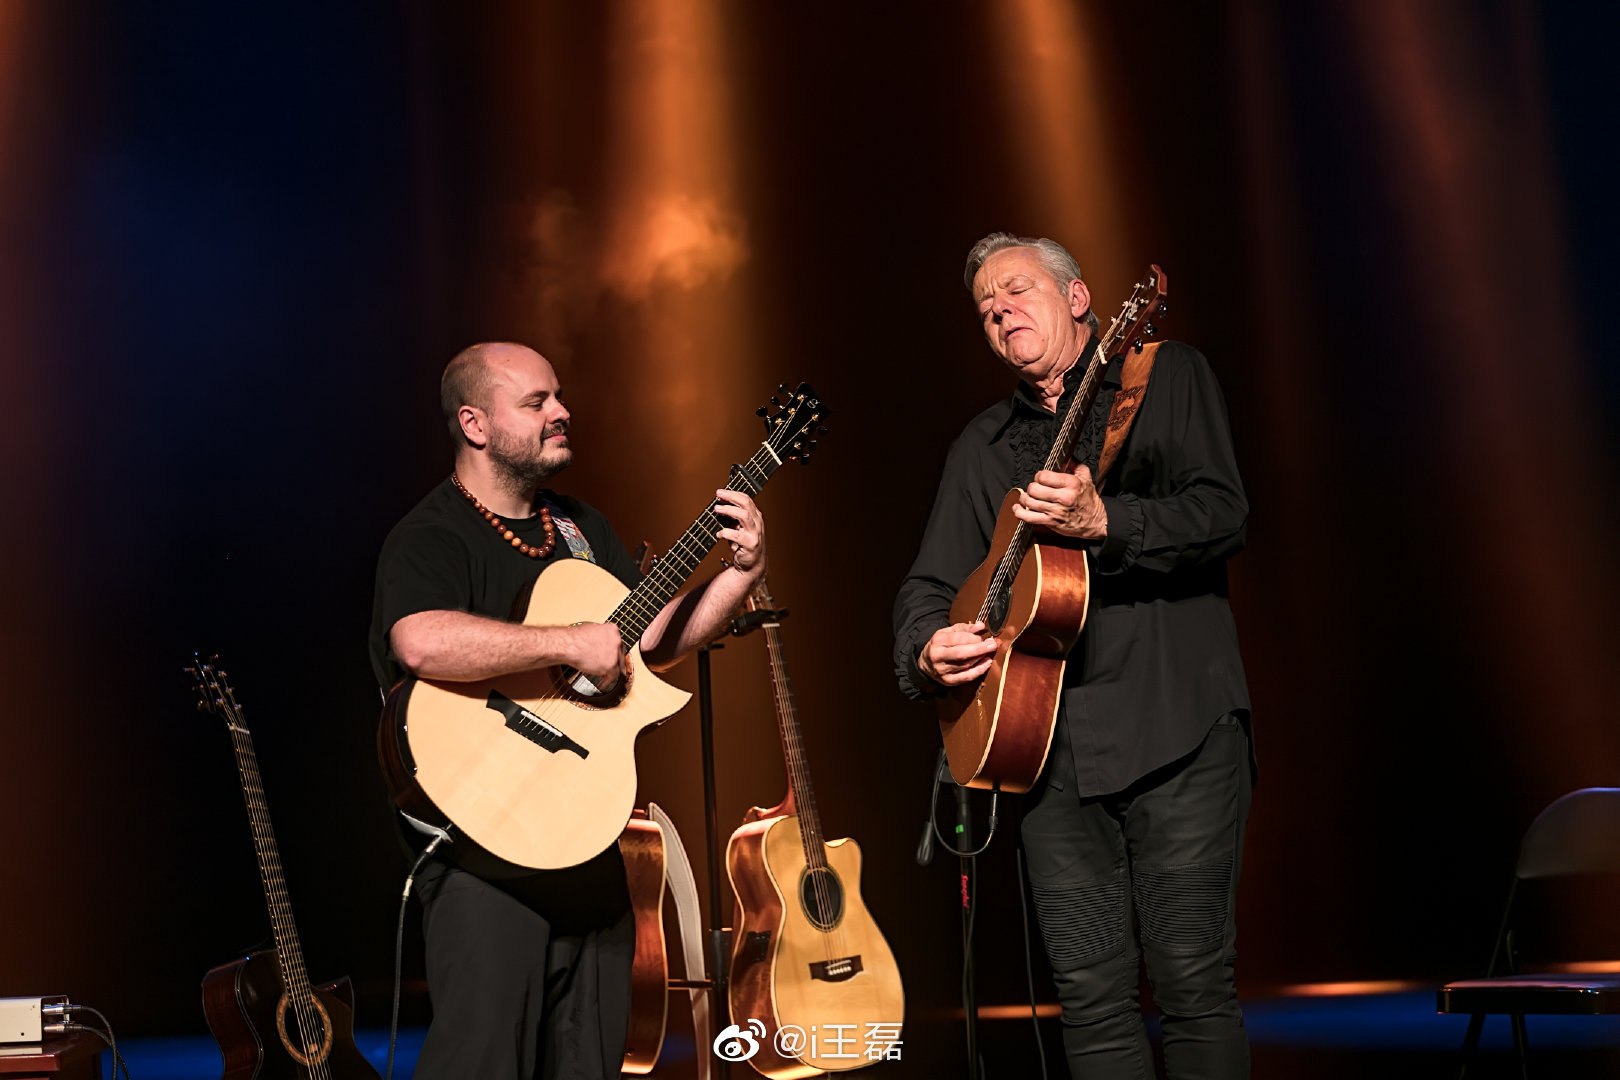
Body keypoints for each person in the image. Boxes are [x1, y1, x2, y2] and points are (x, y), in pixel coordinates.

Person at [893, 233, 1253, 1078]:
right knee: (1091, 1006)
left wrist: (1111, 524)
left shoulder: (1165, 380)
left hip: (1180, 733)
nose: (999, 311)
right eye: (986, 308)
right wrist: (925, 647)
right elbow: (926, 585)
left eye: (1015, 291)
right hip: (1046, 756)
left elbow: (1223, 512)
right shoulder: (978, 449)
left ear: (1081, 297)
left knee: (1193, 984)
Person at [368, 341, 766, 1080]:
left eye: (557, 397)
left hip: (588, 853)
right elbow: (420, 640)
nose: (562, 413)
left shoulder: (580, 529)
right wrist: (568, 640)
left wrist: (738, 577)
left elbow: (644, 642)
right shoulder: (431, 535)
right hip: (484, 864)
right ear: (475, 424)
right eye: (536, 403)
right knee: (482, 1065)